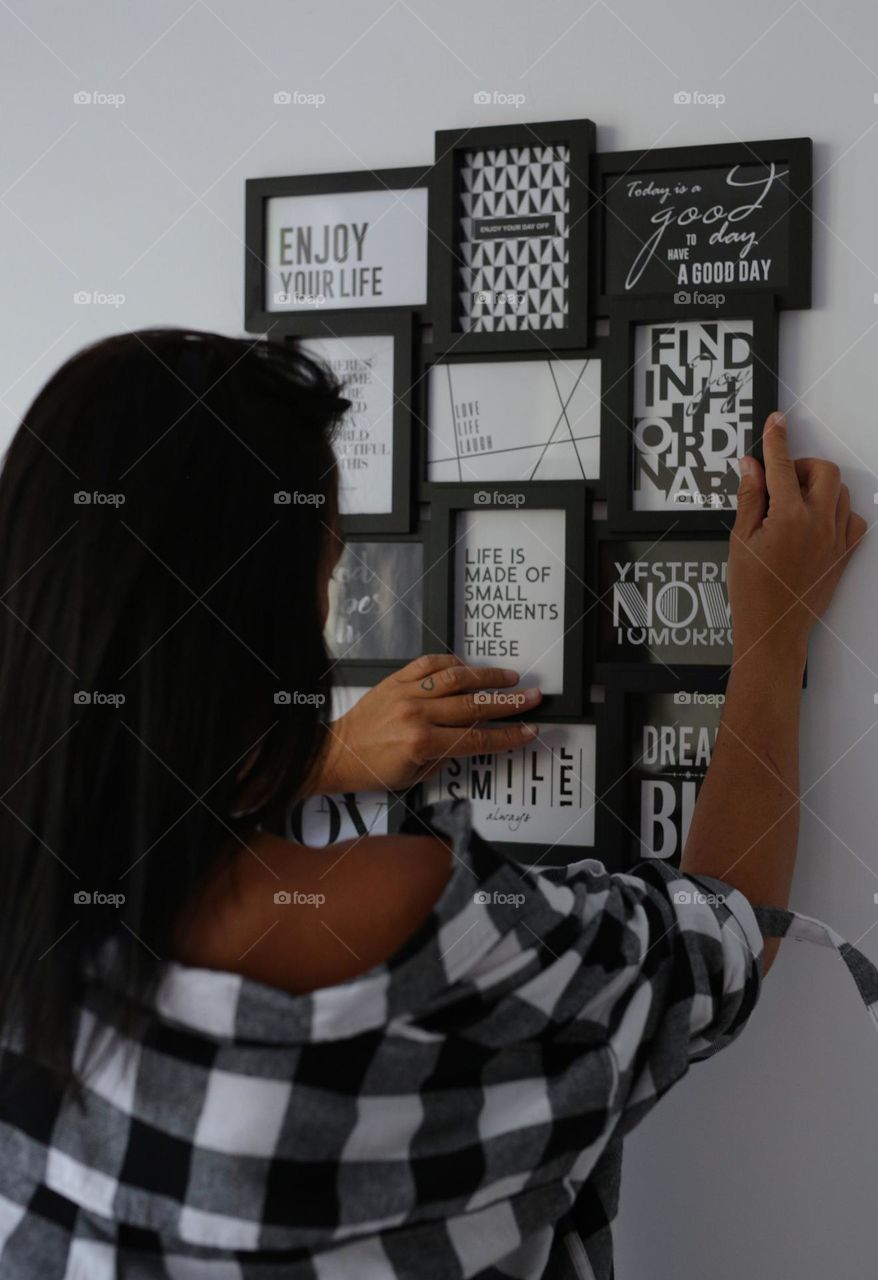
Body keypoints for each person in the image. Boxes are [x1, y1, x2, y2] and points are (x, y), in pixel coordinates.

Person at [0, 329, 866, 1279]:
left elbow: (105, 759)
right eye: (327, 573)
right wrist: (774, 632)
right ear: (272, 618)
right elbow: (726, 930)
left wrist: (317, 760)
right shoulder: (417, 938)